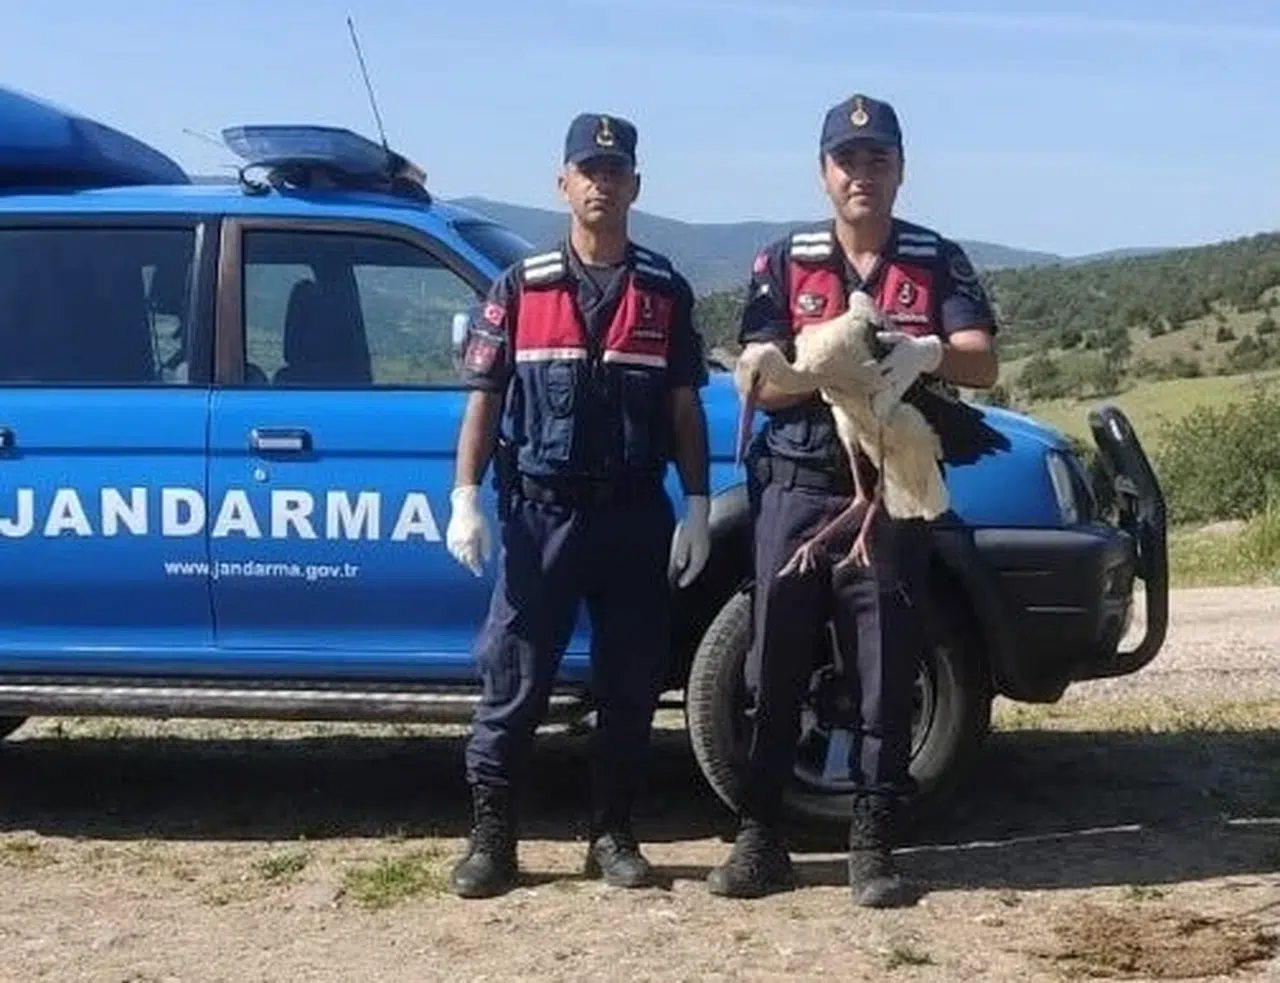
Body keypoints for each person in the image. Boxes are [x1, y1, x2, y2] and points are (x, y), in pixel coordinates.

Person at [705, 93, 999, 907]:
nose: (861, 174)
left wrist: (929, 349)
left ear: (900, 170)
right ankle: (761, 838)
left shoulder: (935, 258)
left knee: (884, 667)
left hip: (890, 491)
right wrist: (782, 373)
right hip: (797, 487)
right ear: (823, 172)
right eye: (847, 160)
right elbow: (760, 377)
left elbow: (983, 361)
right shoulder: (783, 260)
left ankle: (874, 844)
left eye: (877, 160)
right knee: (774, 662)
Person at [444, 111, 712, 898]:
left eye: (615, 170)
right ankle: (493, 839)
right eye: (587, 170)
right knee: (513, 681)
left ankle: (613, 833)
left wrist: (696, 503)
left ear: (635, 184)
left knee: (630, 687)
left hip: (634, 514)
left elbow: (685, 409)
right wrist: (466, 496)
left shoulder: (664, 291)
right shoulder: (522, 287)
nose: (602, 182)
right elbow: (484, 402)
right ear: (563, 184)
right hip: (540, 514)